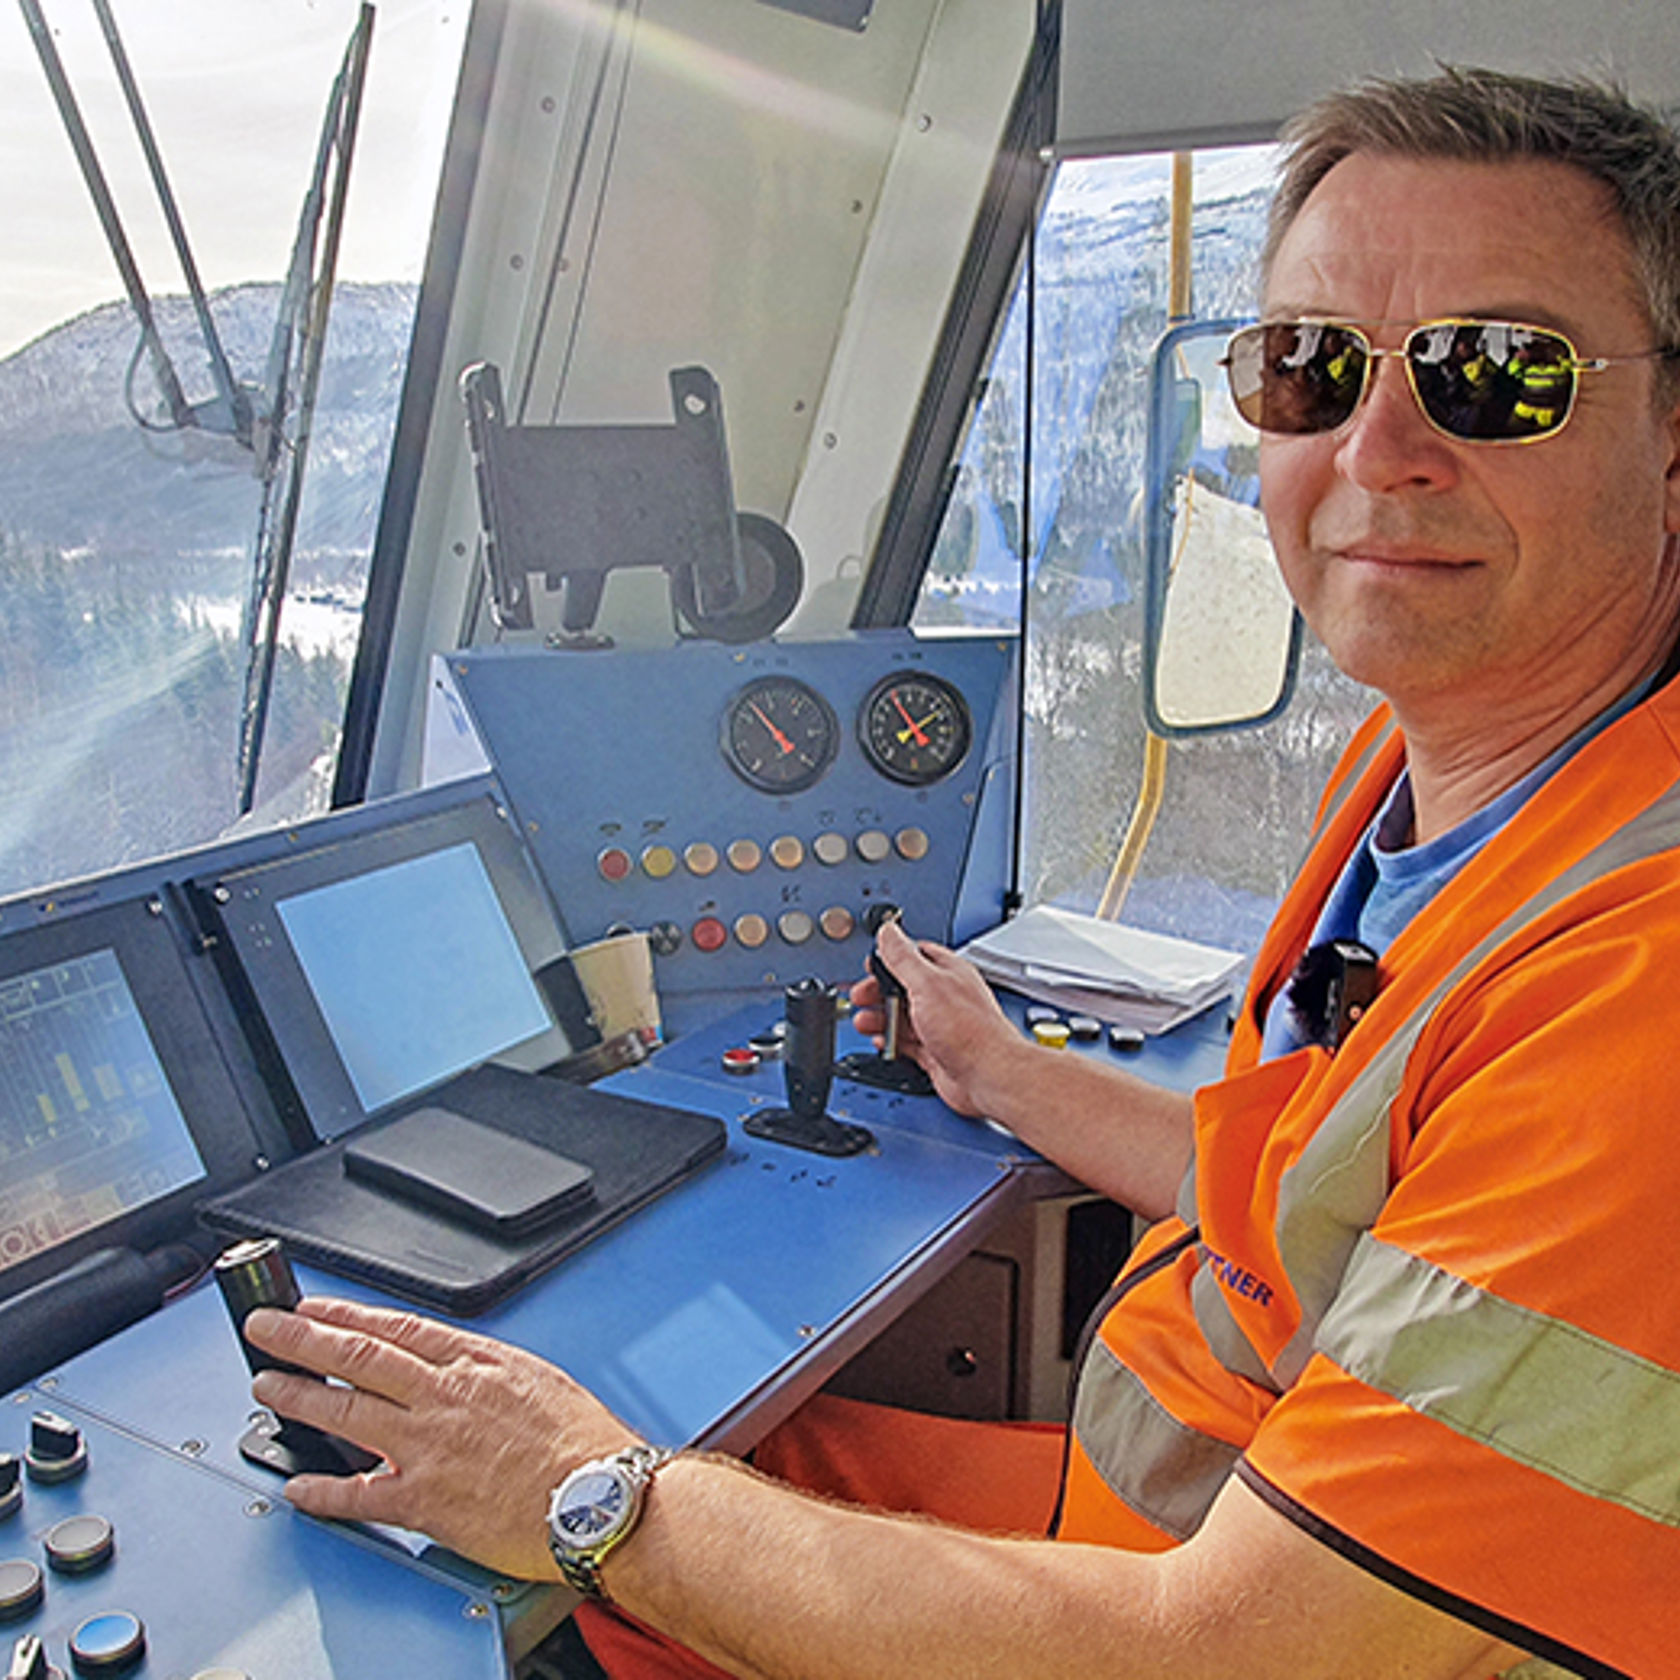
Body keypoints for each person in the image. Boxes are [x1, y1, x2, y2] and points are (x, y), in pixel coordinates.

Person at [244, 66, 1680, 1679]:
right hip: (1172, 1511)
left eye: (1501, 373)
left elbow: (1227, 1659)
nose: (1381, 447)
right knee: (675, 1475)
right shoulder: (1439, 775)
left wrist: (586, 1495)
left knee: (566, 1564)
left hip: (1211, 1616)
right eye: (1309, 366)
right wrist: (1002, 1074)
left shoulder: (1639, 1002)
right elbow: (1323, 1203)